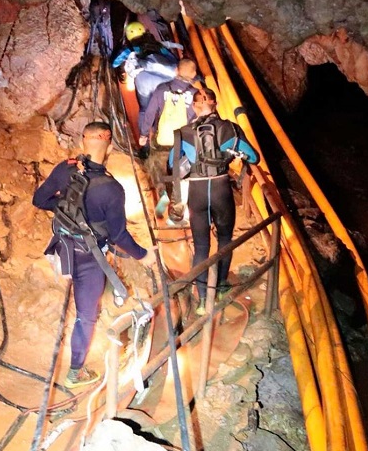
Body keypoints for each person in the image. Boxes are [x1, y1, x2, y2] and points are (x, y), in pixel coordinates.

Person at [32, 121, 157, 388]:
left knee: (84, 296)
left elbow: (39, 200)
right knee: (85, 315)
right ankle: (75, 371)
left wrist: (66, 210)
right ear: (110, 147)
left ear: (81, 143)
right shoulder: (112, 189)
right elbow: (118, 235)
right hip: (89, 259)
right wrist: (143, 255)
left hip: (62, 248)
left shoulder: (64, 169)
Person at [168, 88, 259, 313]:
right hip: (220, 190)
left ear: (194, 106)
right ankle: (219, 288)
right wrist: (231, 153)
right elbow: (254, 156)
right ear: (215, 103)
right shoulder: (230, 128)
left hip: (197, 193)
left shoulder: (182, 132)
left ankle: (201, 301)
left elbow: (172, 164)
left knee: (201, 246)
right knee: (225, 240)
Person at [112, 20, 183, 130]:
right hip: (164, 80)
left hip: (144, 81)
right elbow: (172, 59)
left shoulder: (130, 49)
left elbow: (115, 63)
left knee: (145, 109)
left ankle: (145, 138)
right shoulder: (158, 46)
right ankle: (168, 133)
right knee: (168, 105)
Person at [139, 59, 202, 149]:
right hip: (183, 142)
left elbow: (150, 113)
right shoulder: (196, 94)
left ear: (176, 70)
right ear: (194, 74)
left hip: (162, 138)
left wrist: (143, 134)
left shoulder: (162, 88)